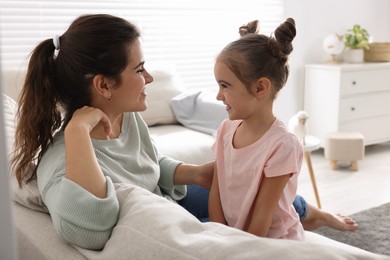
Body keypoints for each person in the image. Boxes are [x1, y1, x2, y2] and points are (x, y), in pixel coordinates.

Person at [11, 14, 356, 251]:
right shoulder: (63, 163)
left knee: (253, 187)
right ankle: (309, 214)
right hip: (162, 208)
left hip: (167, 195)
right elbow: (89, 228)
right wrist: (75, 132)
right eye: (140, 68)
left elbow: (149, 161)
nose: (149, 79)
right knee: (245, 205)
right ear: (104, 85)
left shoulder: (125, 117)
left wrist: (198, 173)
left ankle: (314, 213)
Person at [208, 18, 357, 240]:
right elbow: (216, 192)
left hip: (275, 242)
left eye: (225, 86)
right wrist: (219, 235)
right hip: (234, 235)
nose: (218, 95)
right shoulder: (226, 129)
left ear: (260, 87)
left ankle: (321, 217)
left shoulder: (282, 144)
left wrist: (238, 249)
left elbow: (262, 217)